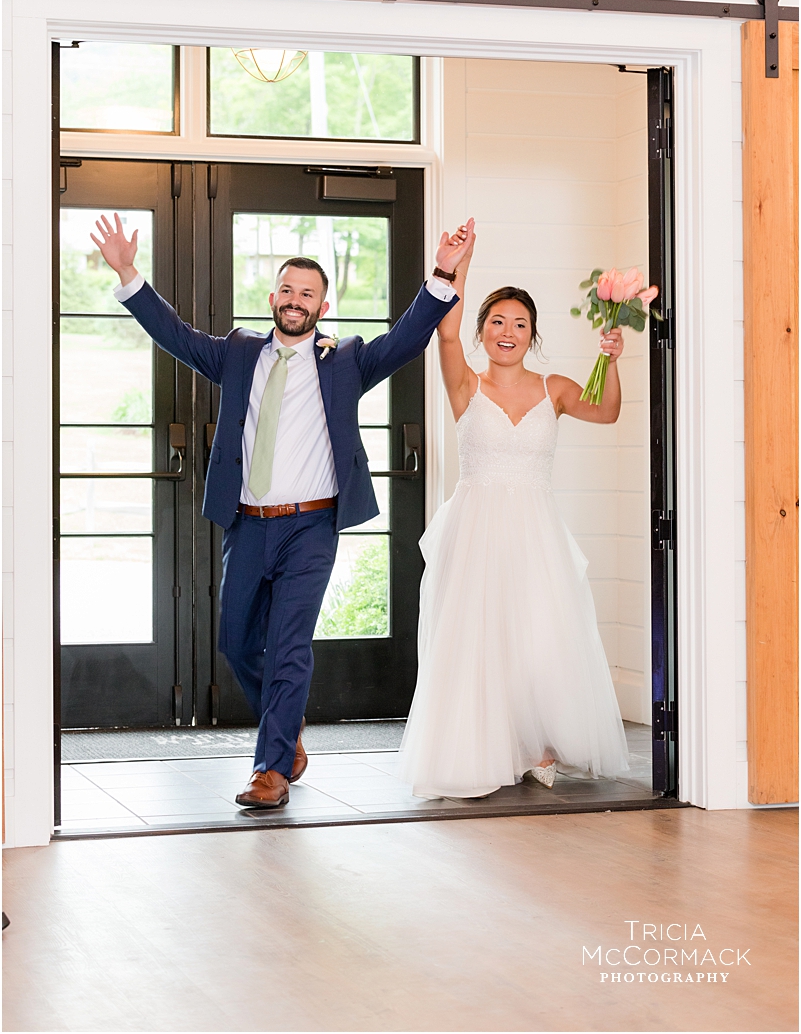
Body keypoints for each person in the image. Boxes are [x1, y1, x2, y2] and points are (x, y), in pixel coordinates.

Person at [92, 212, 473, 809]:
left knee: (290, 643)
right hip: (247, 524)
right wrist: (128, 274)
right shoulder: (238, 353)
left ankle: (270, 771)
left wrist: (443, 272)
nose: (296, 300)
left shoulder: (346, 359)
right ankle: (287, 723)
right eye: (287, 290)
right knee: (237, 642)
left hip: (311, 526)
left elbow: (405, 339)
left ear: (323, 306)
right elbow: (176, 335)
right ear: (273, 298)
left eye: (308, 293)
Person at [398, 220, 630, 799]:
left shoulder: (555, 388)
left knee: (537, 635)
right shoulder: (465, 386)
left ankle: (539, 744)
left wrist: (612, 359)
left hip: (535, 530)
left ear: (533, 336)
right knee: (481, 638)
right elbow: (444, 334)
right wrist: (460, 262)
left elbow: (606, 412)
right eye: (497, 322)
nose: (508, 331)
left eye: (520, 324)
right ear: (482, 330)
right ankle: (489, 742)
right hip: (476, 528)